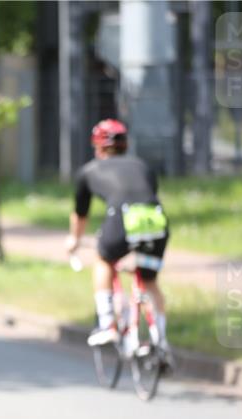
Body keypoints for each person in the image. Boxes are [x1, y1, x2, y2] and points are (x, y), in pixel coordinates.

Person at [66, 119, 172, 362]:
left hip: (122, 219)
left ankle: (107, 325)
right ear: (125, 145)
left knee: (103, 259)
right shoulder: (142, 165)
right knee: (149, 279)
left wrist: (74, 240)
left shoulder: (89, 171)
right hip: (156, 220)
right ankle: (161, 341)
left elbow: (80, 215)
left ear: (98, 147)